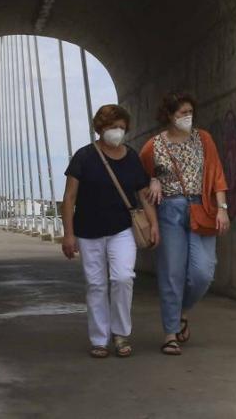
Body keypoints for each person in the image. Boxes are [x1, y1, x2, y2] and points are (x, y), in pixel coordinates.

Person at [62, 104, 159, 358]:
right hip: (87, 231)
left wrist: (154, 224)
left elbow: (144, 195)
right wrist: (68, 234)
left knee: (123, 278)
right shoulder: (84, 157)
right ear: (100, 129)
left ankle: (121, 333)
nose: (117, 132)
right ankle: (99, 339)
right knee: (95, 285)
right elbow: (69, 198)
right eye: (112, 127)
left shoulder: (132, 158)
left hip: (122, 230)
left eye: (121, 127)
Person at [141, 91, 229, 356]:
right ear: (169, 115)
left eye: (190, 112)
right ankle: (170, 334)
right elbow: (140, 182)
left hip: (202, 208)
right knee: (172, 273)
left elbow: (216, 175)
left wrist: (222, 208)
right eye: (182, 113)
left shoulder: (204, 139)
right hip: (169, 210)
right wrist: (152, 181)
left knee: (203, 272)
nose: (188, 117)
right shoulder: (153, 146)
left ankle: (180, 311)